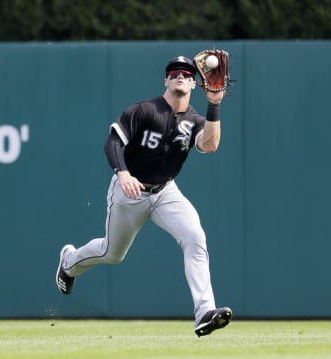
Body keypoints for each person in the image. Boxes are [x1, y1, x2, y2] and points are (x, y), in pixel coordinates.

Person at [56, 55, 232, 337]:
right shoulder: (144, 109)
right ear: (165, 80)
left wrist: (214, 104)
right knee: (112, 253)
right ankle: (69, 262)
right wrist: (122, 173)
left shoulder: (195, 119)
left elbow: (210, 145)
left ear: (194, 82)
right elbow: (112, 142)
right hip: (130, 191)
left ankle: (204, 313)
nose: (180, 76)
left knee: (195, 237)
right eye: (174, 72)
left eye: (187, 73)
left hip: (165, 191)